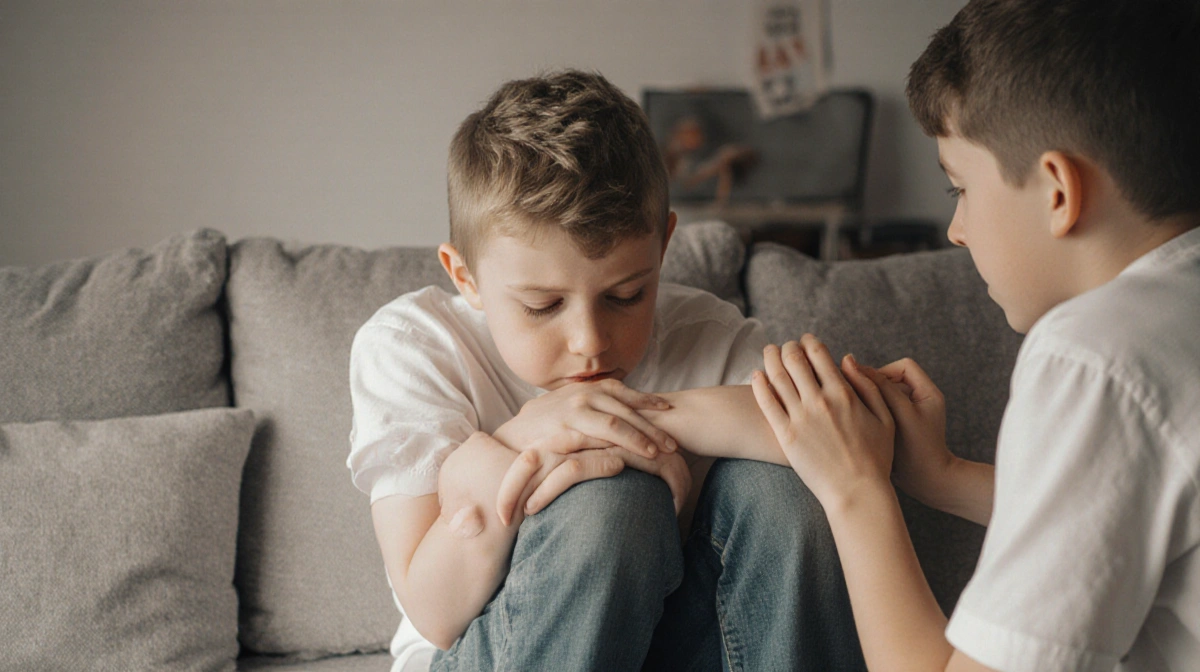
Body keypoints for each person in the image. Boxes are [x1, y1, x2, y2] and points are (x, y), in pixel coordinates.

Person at [347, 70, 865, 672]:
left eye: (625, 296)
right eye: (542, 306)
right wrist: (519, 443)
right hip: (488, 648)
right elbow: (434, 615)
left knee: (787, 492)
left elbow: (850, 442)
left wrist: (636, 420)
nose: (590, 342)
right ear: (466, 277)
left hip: (674, 648)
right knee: (612, 501)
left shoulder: (704, 335)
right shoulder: (415, 347)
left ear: (663, 247)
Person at [750, 1, 1200, 670]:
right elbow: (1121, 518)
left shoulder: (1094, 355)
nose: (956, 231)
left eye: (958, 188)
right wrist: (946, 478)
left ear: (1057, 191)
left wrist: (854, 488)